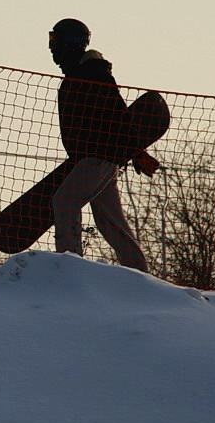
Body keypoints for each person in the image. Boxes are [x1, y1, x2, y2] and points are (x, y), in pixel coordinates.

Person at [48, 18, 159, 272]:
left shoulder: (93, 74)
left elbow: (117, 113)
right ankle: (140, 274)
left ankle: (69, 264)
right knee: (109, 221)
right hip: (96, 158)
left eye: (55, 40)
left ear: (71, 43)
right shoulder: (78, 75)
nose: (51, 47)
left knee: (64, 202)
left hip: (98, 157)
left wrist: (136, 151)